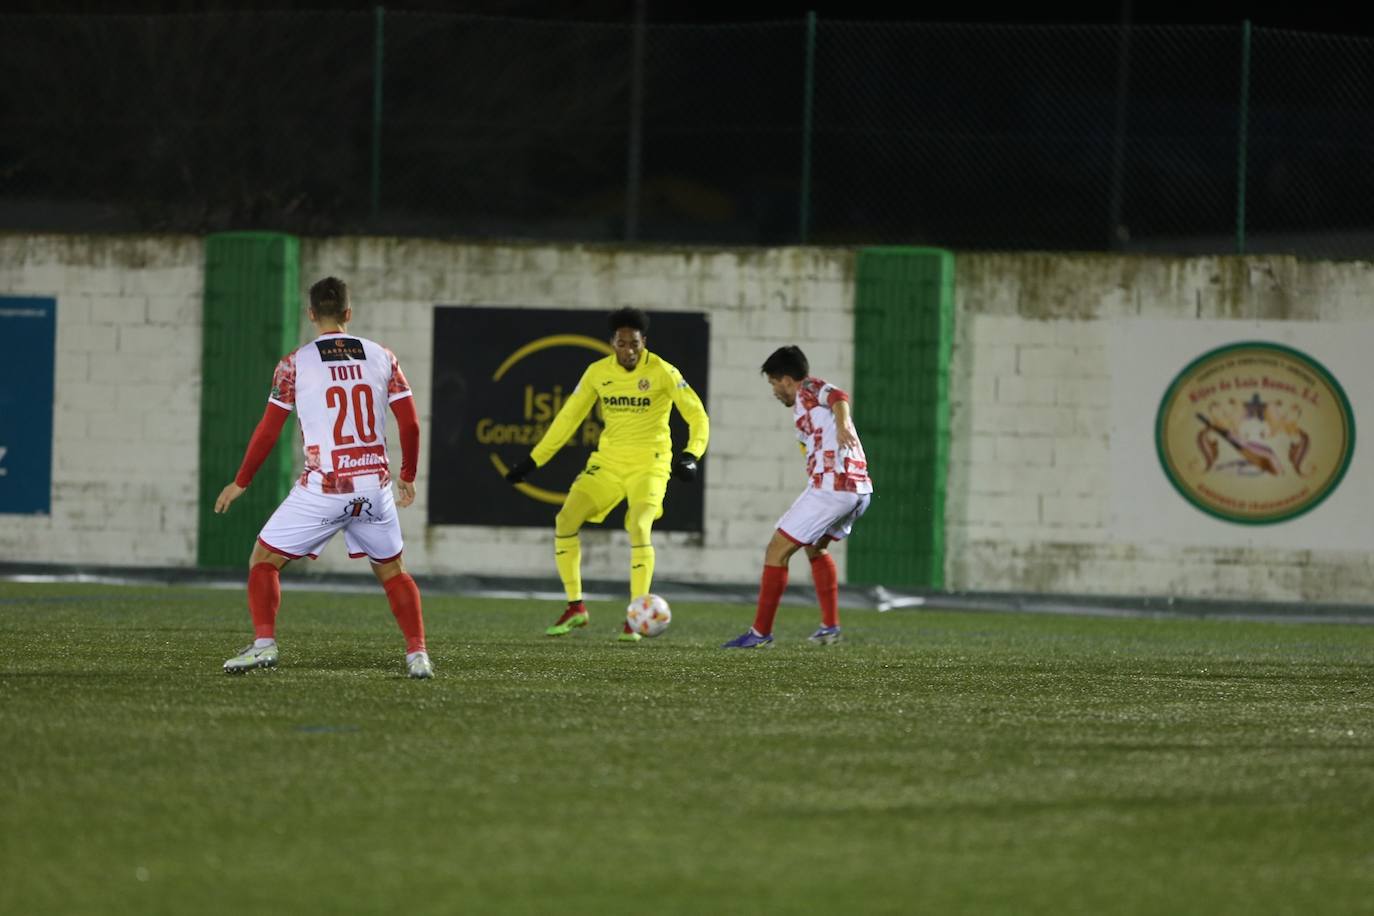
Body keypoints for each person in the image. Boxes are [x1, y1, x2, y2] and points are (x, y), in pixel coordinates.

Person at [213, 277, 433, 678]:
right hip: (373, 488)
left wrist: (241, 481)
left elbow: (268, 429)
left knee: (263, 560)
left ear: (311, 314)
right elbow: (411, 425)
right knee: (394, 572)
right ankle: (417, 654)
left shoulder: (294, 363)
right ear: (349, 314)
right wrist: (407, 475)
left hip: (326, 486)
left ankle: (264, 646)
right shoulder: (382, 356)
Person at [504, 307, 709, 642]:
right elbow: (568, 418)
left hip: (651, 464)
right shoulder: (597, 373)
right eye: (622, 343)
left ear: (645, 342)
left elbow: (697, 415)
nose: (628, 350)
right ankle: (576, 608)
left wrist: (691, 454)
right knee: (565, 519)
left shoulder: (663, 372)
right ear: (612, 342)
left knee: (639, 524)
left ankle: (635, 616)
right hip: (608, 463)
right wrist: (533, 460)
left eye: (635, 344)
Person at [723, 345, 873, 648]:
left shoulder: (808, 389)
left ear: (788, 380)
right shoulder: (804, 410)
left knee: (776, 551)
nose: (774, 391)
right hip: (858, 489)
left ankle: (760, 634)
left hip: (834, 487)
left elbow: (838, 395)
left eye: (774, 383)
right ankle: (830, 627)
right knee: (815, 548)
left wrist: (843, 424)